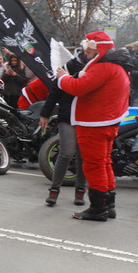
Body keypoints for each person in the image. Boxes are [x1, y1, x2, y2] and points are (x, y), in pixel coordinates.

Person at [54, 31, 131, 221]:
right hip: (107, 122)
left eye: (88, 52)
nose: (86, 55)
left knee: (94, 166)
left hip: (94, 123)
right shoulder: (116, 67)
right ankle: (108, 204)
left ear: (98, 50)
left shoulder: (103, 68)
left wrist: (63, 77)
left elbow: (78, 87)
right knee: (104, 163)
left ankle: (98, 209)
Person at [39, 51, 88, 207]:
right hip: (67, 116)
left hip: (86, 117)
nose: (89, 53)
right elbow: (55, 92)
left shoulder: (97, 67)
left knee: (82, 155)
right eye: (86, 50)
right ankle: (54, 190)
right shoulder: (68, 66)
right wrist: (45, 114)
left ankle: (80, 190)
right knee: (66, 153)